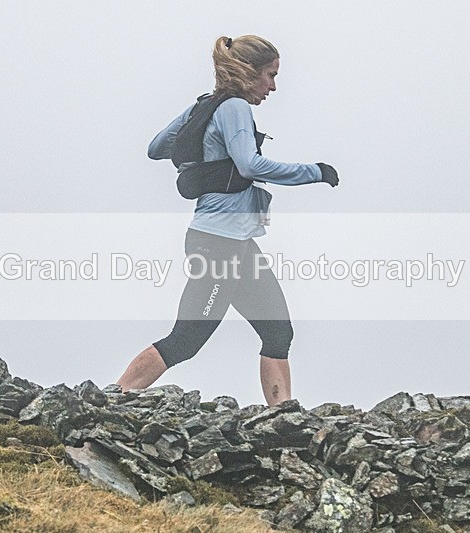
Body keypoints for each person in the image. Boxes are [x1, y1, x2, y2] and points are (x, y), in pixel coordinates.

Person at [116, 35, 339, 406]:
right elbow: (250, 165)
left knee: (278, 333)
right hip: (218, 243)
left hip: (235, 243)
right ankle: (112, 399)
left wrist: (200, 131)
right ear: (249, 71)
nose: (273, 86)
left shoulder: (206, 105)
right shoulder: (234, 106)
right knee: (186, 340)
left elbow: (157, 147)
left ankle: (283, 417)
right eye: (270, 75)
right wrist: (314, 171)